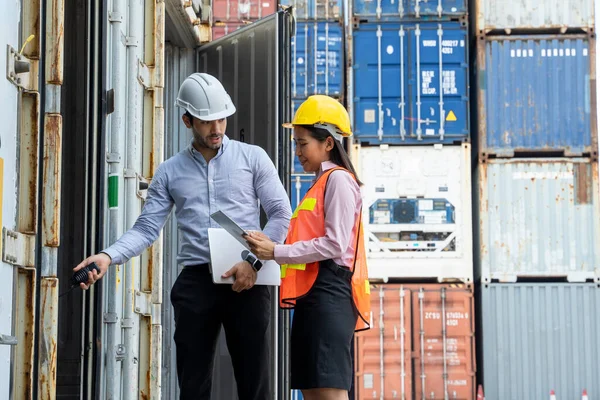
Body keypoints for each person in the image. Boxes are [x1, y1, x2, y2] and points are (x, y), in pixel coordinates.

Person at [74, 73, 292, 399]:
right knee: (192, 385)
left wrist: (252, 263)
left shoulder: (253, 158)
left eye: (221, 118)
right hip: (196, 283)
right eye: (206, 122)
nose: (216, 128)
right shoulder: (169, 171)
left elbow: (281, 214)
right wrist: (108, 256)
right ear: (187, 120)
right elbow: (147, 229)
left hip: (247, 279)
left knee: (254, 383)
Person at [245, 95, 371, 400]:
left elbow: (335, 243)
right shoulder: (320, 182)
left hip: (329, 298)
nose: (297, 151)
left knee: (328, 393)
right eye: (296, 143)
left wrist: (275, 251)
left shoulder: (338, 180)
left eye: (303, 143)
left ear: (328, 143)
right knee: (312, 391)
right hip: (313, 299)